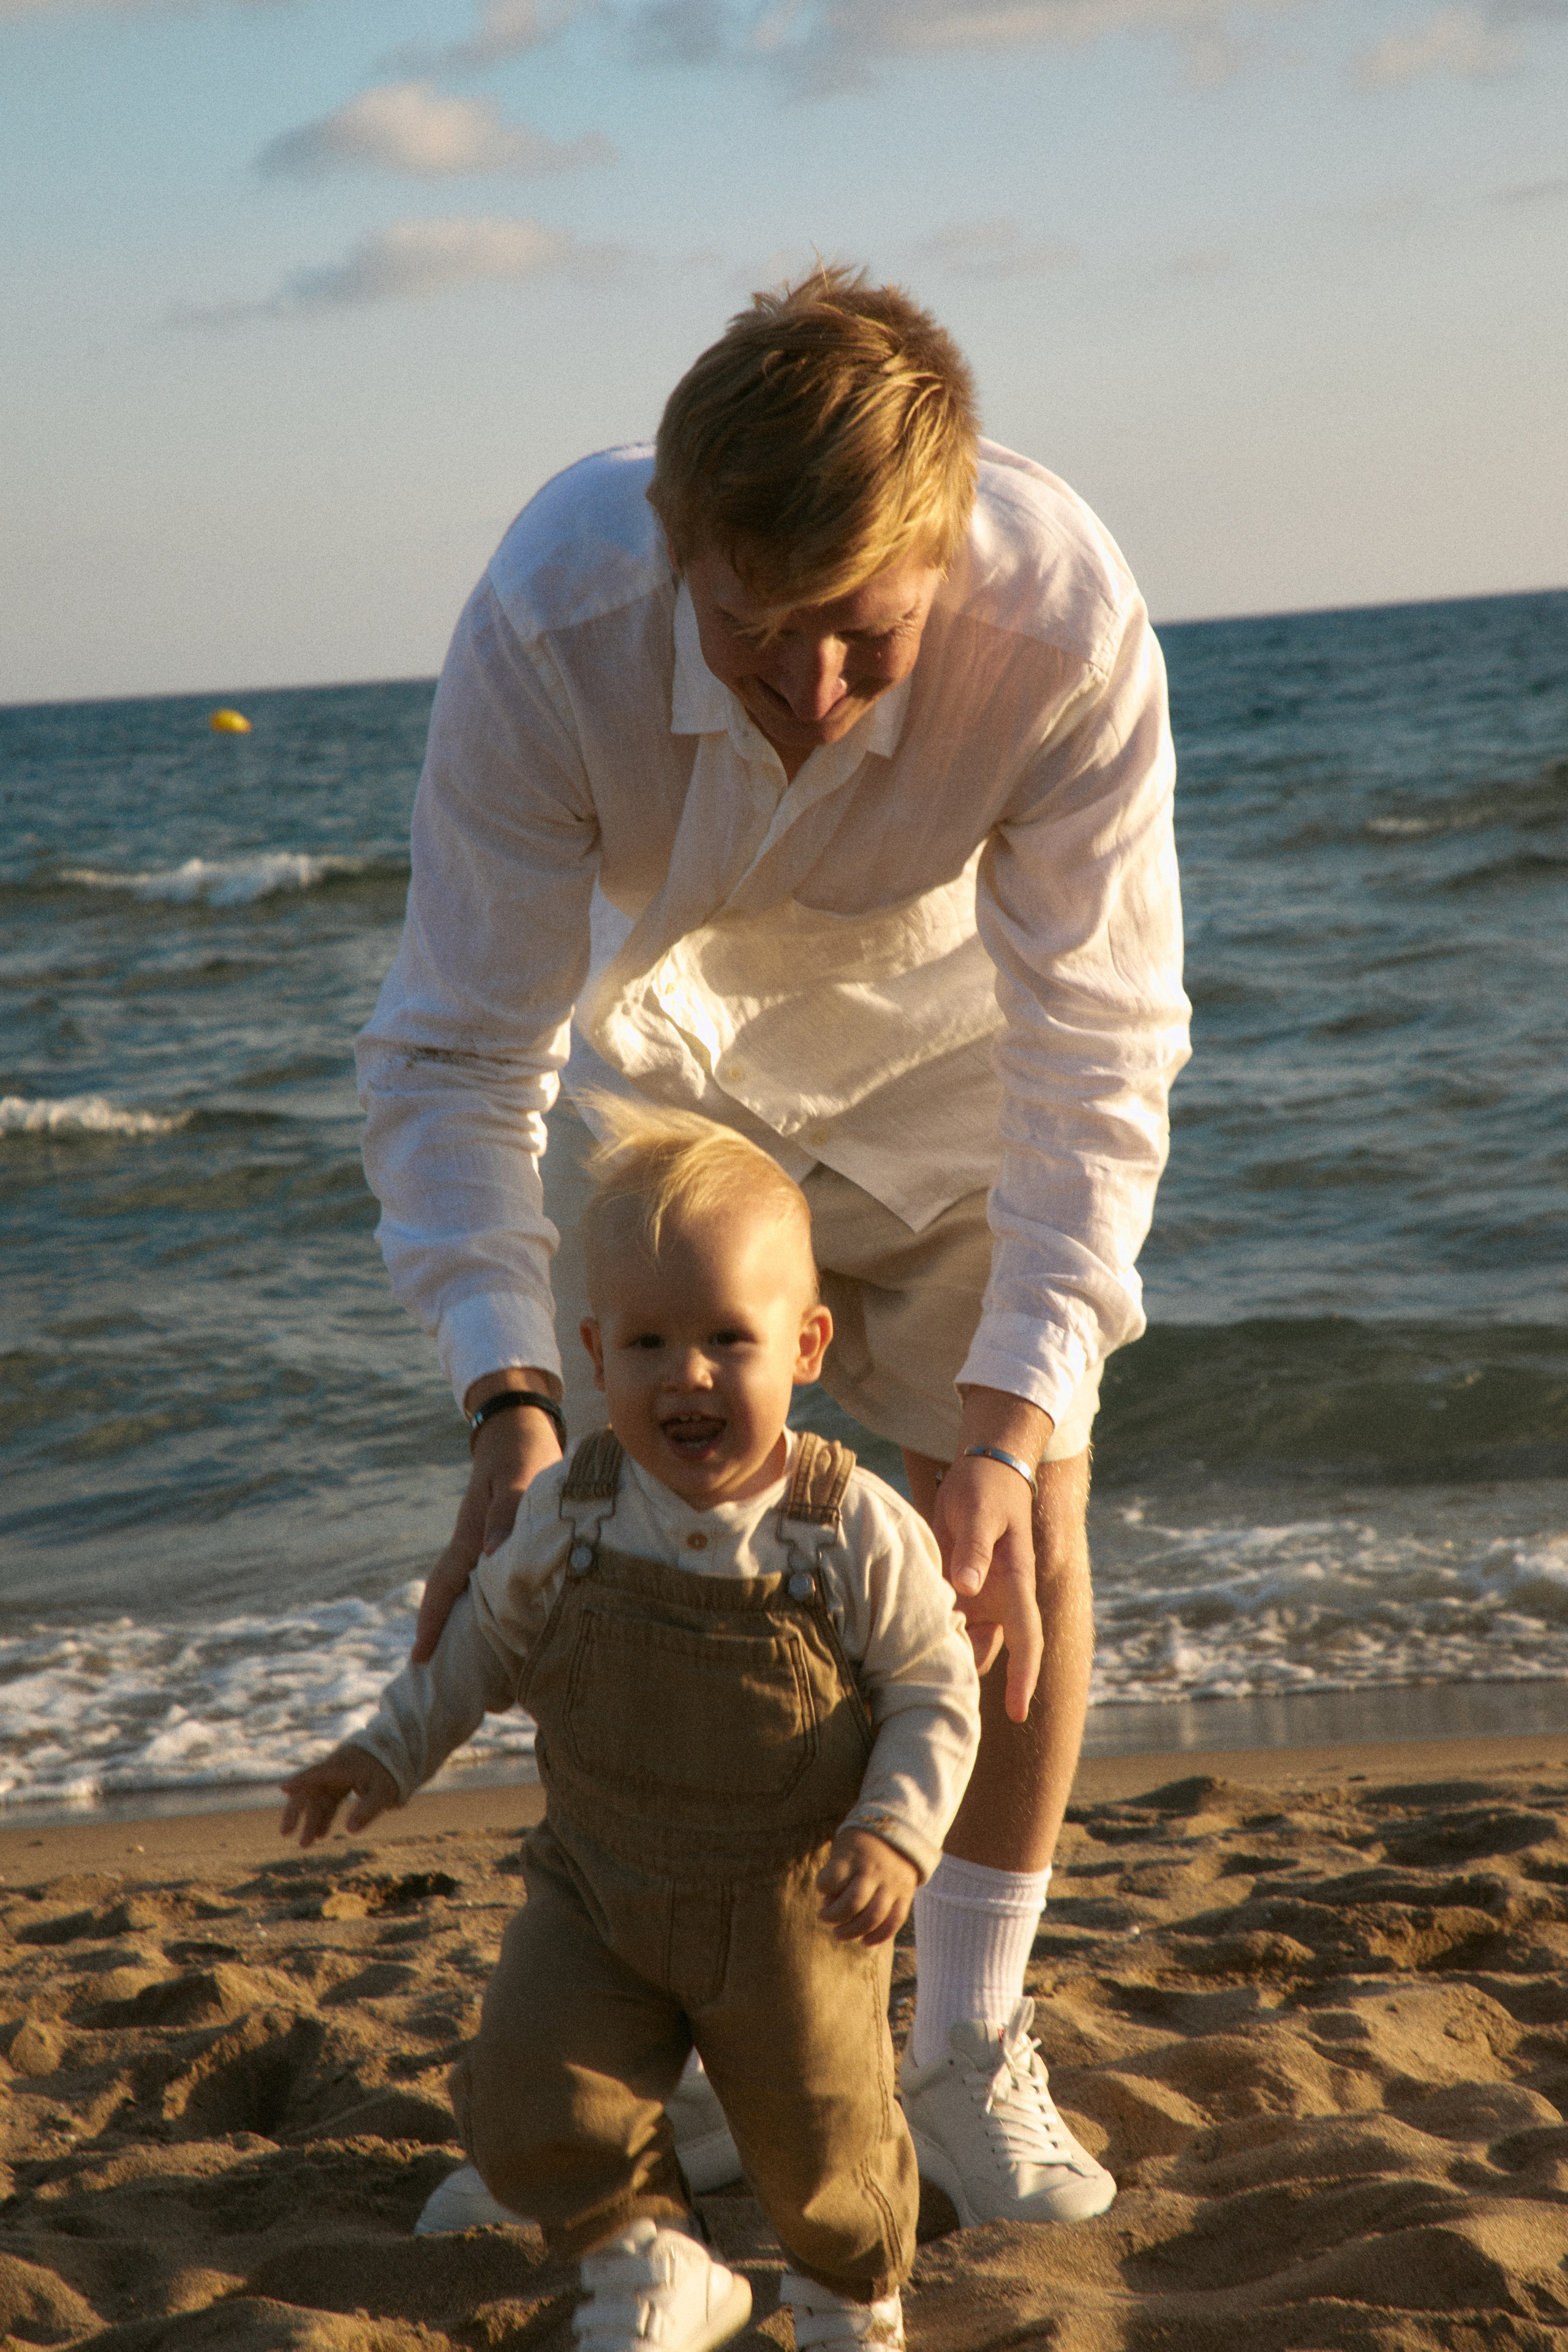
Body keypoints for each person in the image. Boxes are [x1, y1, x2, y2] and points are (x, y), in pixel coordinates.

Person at [355, 263, 1189, 2226]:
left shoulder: (1063, 624)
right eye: (753, 632)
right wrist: (507, 1398)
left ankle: (964, 2043)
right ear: (676, 543)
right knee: (646, 1566)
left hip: (962, 1073)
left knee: (1020, 1534)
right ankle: (726, 2053)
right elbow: (458, 1046)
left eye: (867, 638)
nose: (810, 690)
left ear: (947, 550)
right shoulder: (554, 615)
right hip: (668, 1082)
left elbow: (1102, 1049)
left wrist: (1003, 1428)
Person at [282, 1107, 983, 2351]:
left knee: (823, 2139)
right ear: (595, 1353)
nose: (687, 1376)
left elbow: (935, 1689)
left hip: (795, 1910)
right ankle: (653, 2257)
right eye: (649, 1343)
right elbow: (484, 1646)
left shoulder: (852, 1527)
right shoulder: (574, 1509)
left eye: (727, 1339)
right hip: (599, 1891)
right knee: (526, 2089)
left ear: (806, 1345)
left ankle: (845, 2299)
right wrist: (386, 1751)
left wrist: (895, 1830)